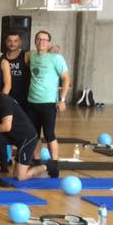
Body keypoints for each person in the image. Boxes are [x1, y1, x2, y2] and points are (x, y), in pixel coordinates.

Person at [0, 73, 43, 183]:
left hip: (26, 138)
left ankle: (46, 167)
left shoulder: (4, 100)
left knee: (20, 177)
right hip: (9, 136)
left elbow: (6, 127)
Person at [26, 30, 70, 177]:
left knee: (49, 134)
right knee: (34, 135)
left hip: (49, 103)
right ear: (35, 41)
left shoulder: (56, 58)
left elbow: (66, 78)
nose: (41, 42)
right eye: (39, 39)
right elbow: (27, 53)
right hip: (32, 102)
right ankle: (36, 161)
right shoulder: (32, 56)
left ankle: (54, 165)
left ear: (49, 42)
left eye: (45, 40)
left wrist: (62, 100)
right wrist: (48, 47)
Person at [3, 31, 30, 110]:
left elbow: (40, 52)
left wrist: (51, 49)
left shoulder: (26, 55)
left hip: (24, 100)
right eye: (9, 41)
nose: (12, 44)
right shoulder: (2, 58)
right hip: (8, 98)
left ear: (20, 42)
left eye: (15, 41)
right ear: (5, 42)